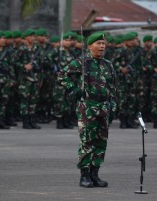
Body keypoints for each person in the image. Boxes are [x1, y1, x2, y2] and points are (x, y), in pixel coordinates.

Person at [57, 32, 117, 188]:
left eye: (103, 43)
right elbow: (62, 75)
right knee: (87, 141)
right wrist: (74, 89)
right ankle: (84, 175)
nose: (102, 46)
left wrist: (114, 105)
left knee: (101, 142)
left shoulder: (108, 64)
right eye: (98, 43)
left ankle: (95, 174)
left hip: (104, 107)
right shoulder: (81, 63)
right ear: (90, 46)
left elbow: (113, 87)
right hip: (88, 107)